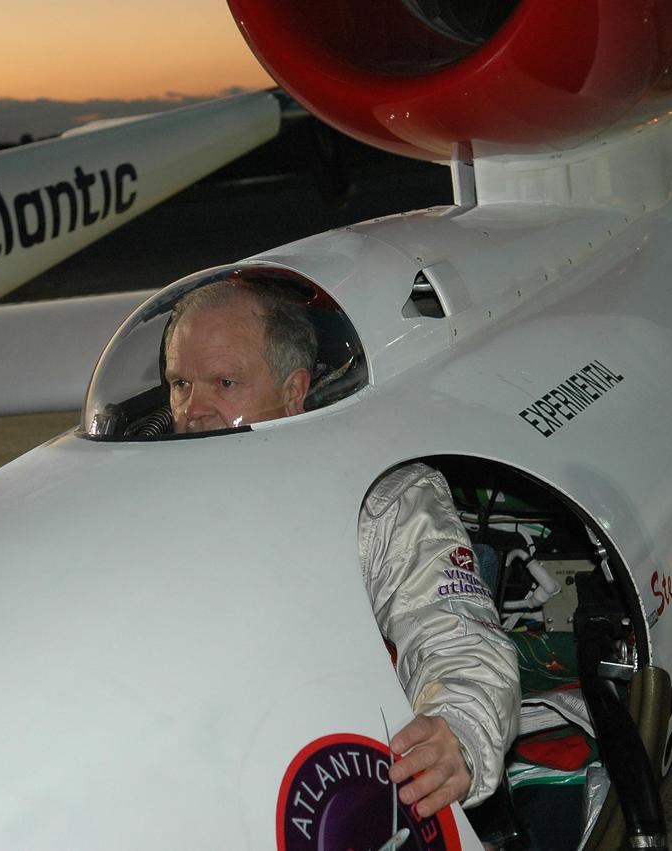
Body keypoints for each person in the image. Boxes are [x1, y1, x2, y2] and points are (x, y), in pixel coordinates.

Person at [163, 280, 519, 815]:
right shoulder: (146, 503)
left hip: (327, 782)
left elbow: (457, 637)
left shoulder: (382, 500)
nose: (194, 409)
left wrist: (459, 731)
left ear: (292, 390)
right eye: (180, 383)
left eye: (225, 382)